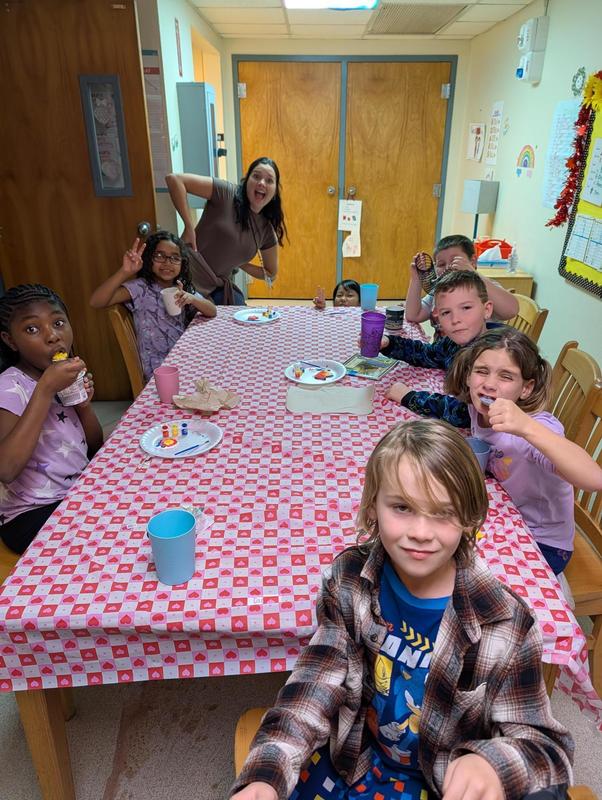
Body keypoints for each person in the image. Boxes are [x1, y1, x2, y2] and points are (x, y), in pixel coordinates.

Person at [230, 419, 574, 800]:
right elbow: (316, 681)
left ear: (470, 520)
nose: (421, 532)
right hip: (359, 759)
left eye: (443, 513)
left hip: (443, 782)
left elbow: (546, 749)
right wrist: (266, 772)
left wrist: (493, 764)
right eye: (402, 507)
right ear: (372, 507)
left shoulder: (506, 623)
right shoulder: (348, 581)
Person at [445, 327, 602, 574]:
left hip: (543, 542)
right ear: (467, 376)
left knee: (457, 572)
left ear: (526, 388)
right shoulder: (476, 409)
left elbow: (594, 479)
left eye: (506, 376)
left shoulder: (535, 429)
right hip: (500, 514)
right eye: (482, 371)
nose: (489, 384)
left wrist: (527, 427)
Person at [0, 284, 103, 554]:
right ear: (10, 340)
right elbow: (6, 469)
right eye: (32, 329)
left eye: (58, 323)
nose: (53, 336)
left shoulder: (62, 378)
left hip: (75, 491)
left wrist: (83, 407)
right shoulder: (9, 387)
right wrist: (45, 390)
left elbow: (95, 447)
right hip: (31, 513)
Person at [90, 232, 216, 382]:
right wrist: (124, 272)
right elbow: (96, 302)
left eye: (175, 258)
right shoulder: (140, 289)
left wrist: (192, 298)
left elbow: (212, 310)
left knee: (216, 365)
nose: (167, 263)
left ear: (182, 263)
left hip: (182, 356)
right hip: (159, 368)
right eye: (160, 256)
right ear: (150, 258)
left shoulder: (180, 287)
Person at [383, 270, 499, 427]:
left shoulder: (494, 357)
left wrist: (408, 396)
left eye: (466, 308)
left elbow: (465, 413)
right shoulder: (453, 342)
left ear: (487, 310)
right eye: (446, 312)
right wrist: (389, 343)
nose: (455, 319)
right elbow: (427, 354)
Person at [165, 157, 287, 305]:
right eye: (256, 176)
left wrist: (240, 263)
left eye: (269, 180)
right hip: (185, 274)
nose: (261, 183)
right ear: (247, 181)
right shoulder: (227, 193)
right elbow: (174, 180)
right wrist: (188, 226)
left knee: (241, 313)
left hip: (214, 287)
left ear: (275, 191)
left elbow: (270, 273)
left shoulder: (266, 230)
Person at [405, 234, 518, 335]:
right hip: (444, 349)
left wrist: (473, 274)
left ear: (472, 261)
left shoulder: (484, 287)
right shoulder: (438, 291)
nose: (448, 267)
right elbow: (413, 315)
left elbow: (511, 310)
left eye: (455, 261)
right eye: (441, 264)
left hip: (479, 349)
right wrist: (416, 279)